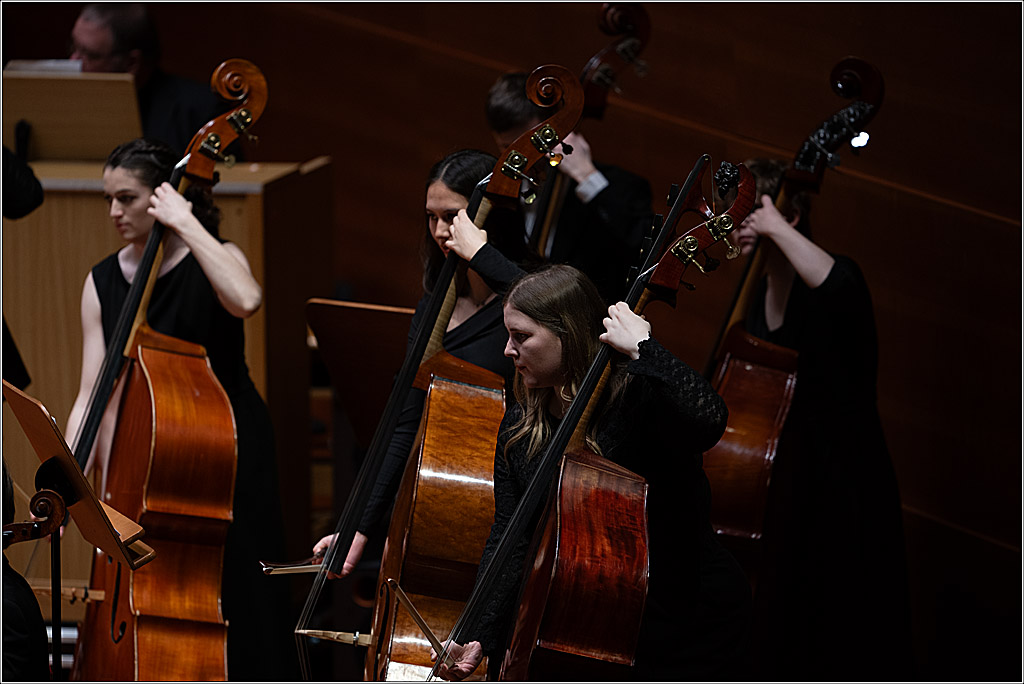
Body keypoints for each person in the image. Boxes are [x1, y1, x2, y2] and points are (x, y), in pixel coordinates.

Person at [431, 264, 752, 681]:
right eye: (508, 335)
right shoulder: (520, 426)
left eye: (522, 337)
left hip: (687, 616)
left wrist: (646, 348)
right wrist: (479, 632)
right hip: (600, 617)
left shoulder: (636, 398)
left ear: (567, 333)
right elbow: (510, 534)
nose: (508, 350)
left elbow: (710, 419)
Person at [63, 138, 294, 681]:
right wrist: (75, 479)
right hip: (148, 463)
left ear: (162, 197)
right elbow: (92, 392)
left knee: (244, 597)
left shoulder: (216, 255)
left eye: (128, 198)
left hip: (228, 452)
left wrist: (186, 222)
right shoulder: (100, 281)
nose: (115, 212)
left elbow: (246, 299)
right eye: (109, 199)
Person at [727, 158, 912, 679]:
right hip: (789, 478)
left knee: (844, 622)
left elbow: (840, 288)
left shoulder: (836, 276)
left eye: (749, 213)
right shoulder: (759, 295)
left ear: (792, 211)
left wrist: (777, 226)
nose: (738, 225)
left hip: (844, 477)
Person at [312, 149, 534, 576]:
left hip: (514, 498)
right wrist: (358, 526)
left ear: (490, 216)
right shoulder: (433, 307)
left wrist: (482, 257)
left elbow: (556, 318)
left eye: (452, 216)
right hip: (450, 498)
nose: (439, 230)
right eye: (430, 217)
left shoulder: (530, 292)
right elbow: (406, 422)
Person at [485, 72, 654, 305]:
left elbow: (643, 251)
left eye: (532, 145)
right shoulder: (500, 189)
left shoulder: (624, 188)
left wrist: (587, 176)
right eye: (508, 147)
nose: (523, 158)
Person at [69, 3, 224, 156]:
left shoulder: (200, 111)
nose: (73, 61)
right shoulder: (69, 107)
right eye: (74, 47)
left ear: (131, 63)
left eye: (90, 55)